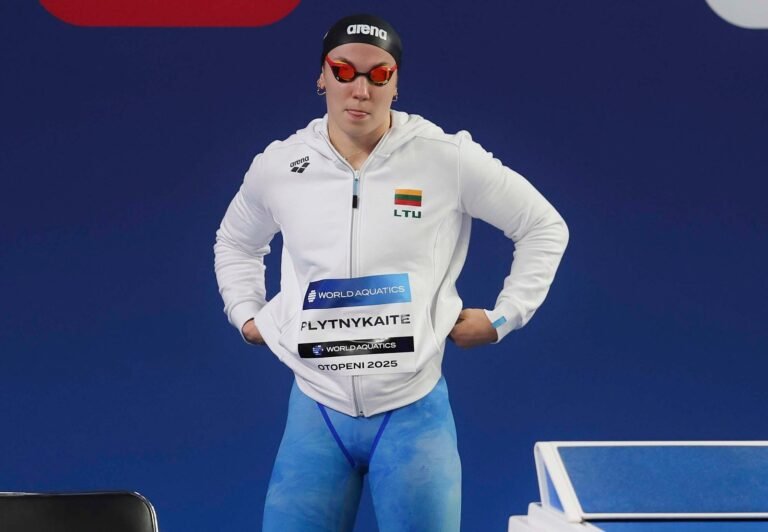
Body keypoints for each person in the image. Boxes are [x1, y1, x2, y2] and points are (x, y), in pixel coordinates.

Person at [214, 13, 568, 532]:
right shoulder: (281, 166)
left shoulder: (445, 158)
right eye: (344, 71)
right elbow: (236, 242)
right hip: (317, 411)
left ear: (396, 84)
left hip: (413, 414)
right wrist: (245, 312)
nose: (360, 89)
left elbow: (543, 226)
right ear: (321, 77)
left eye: (378, 75)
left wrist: (505, 316)